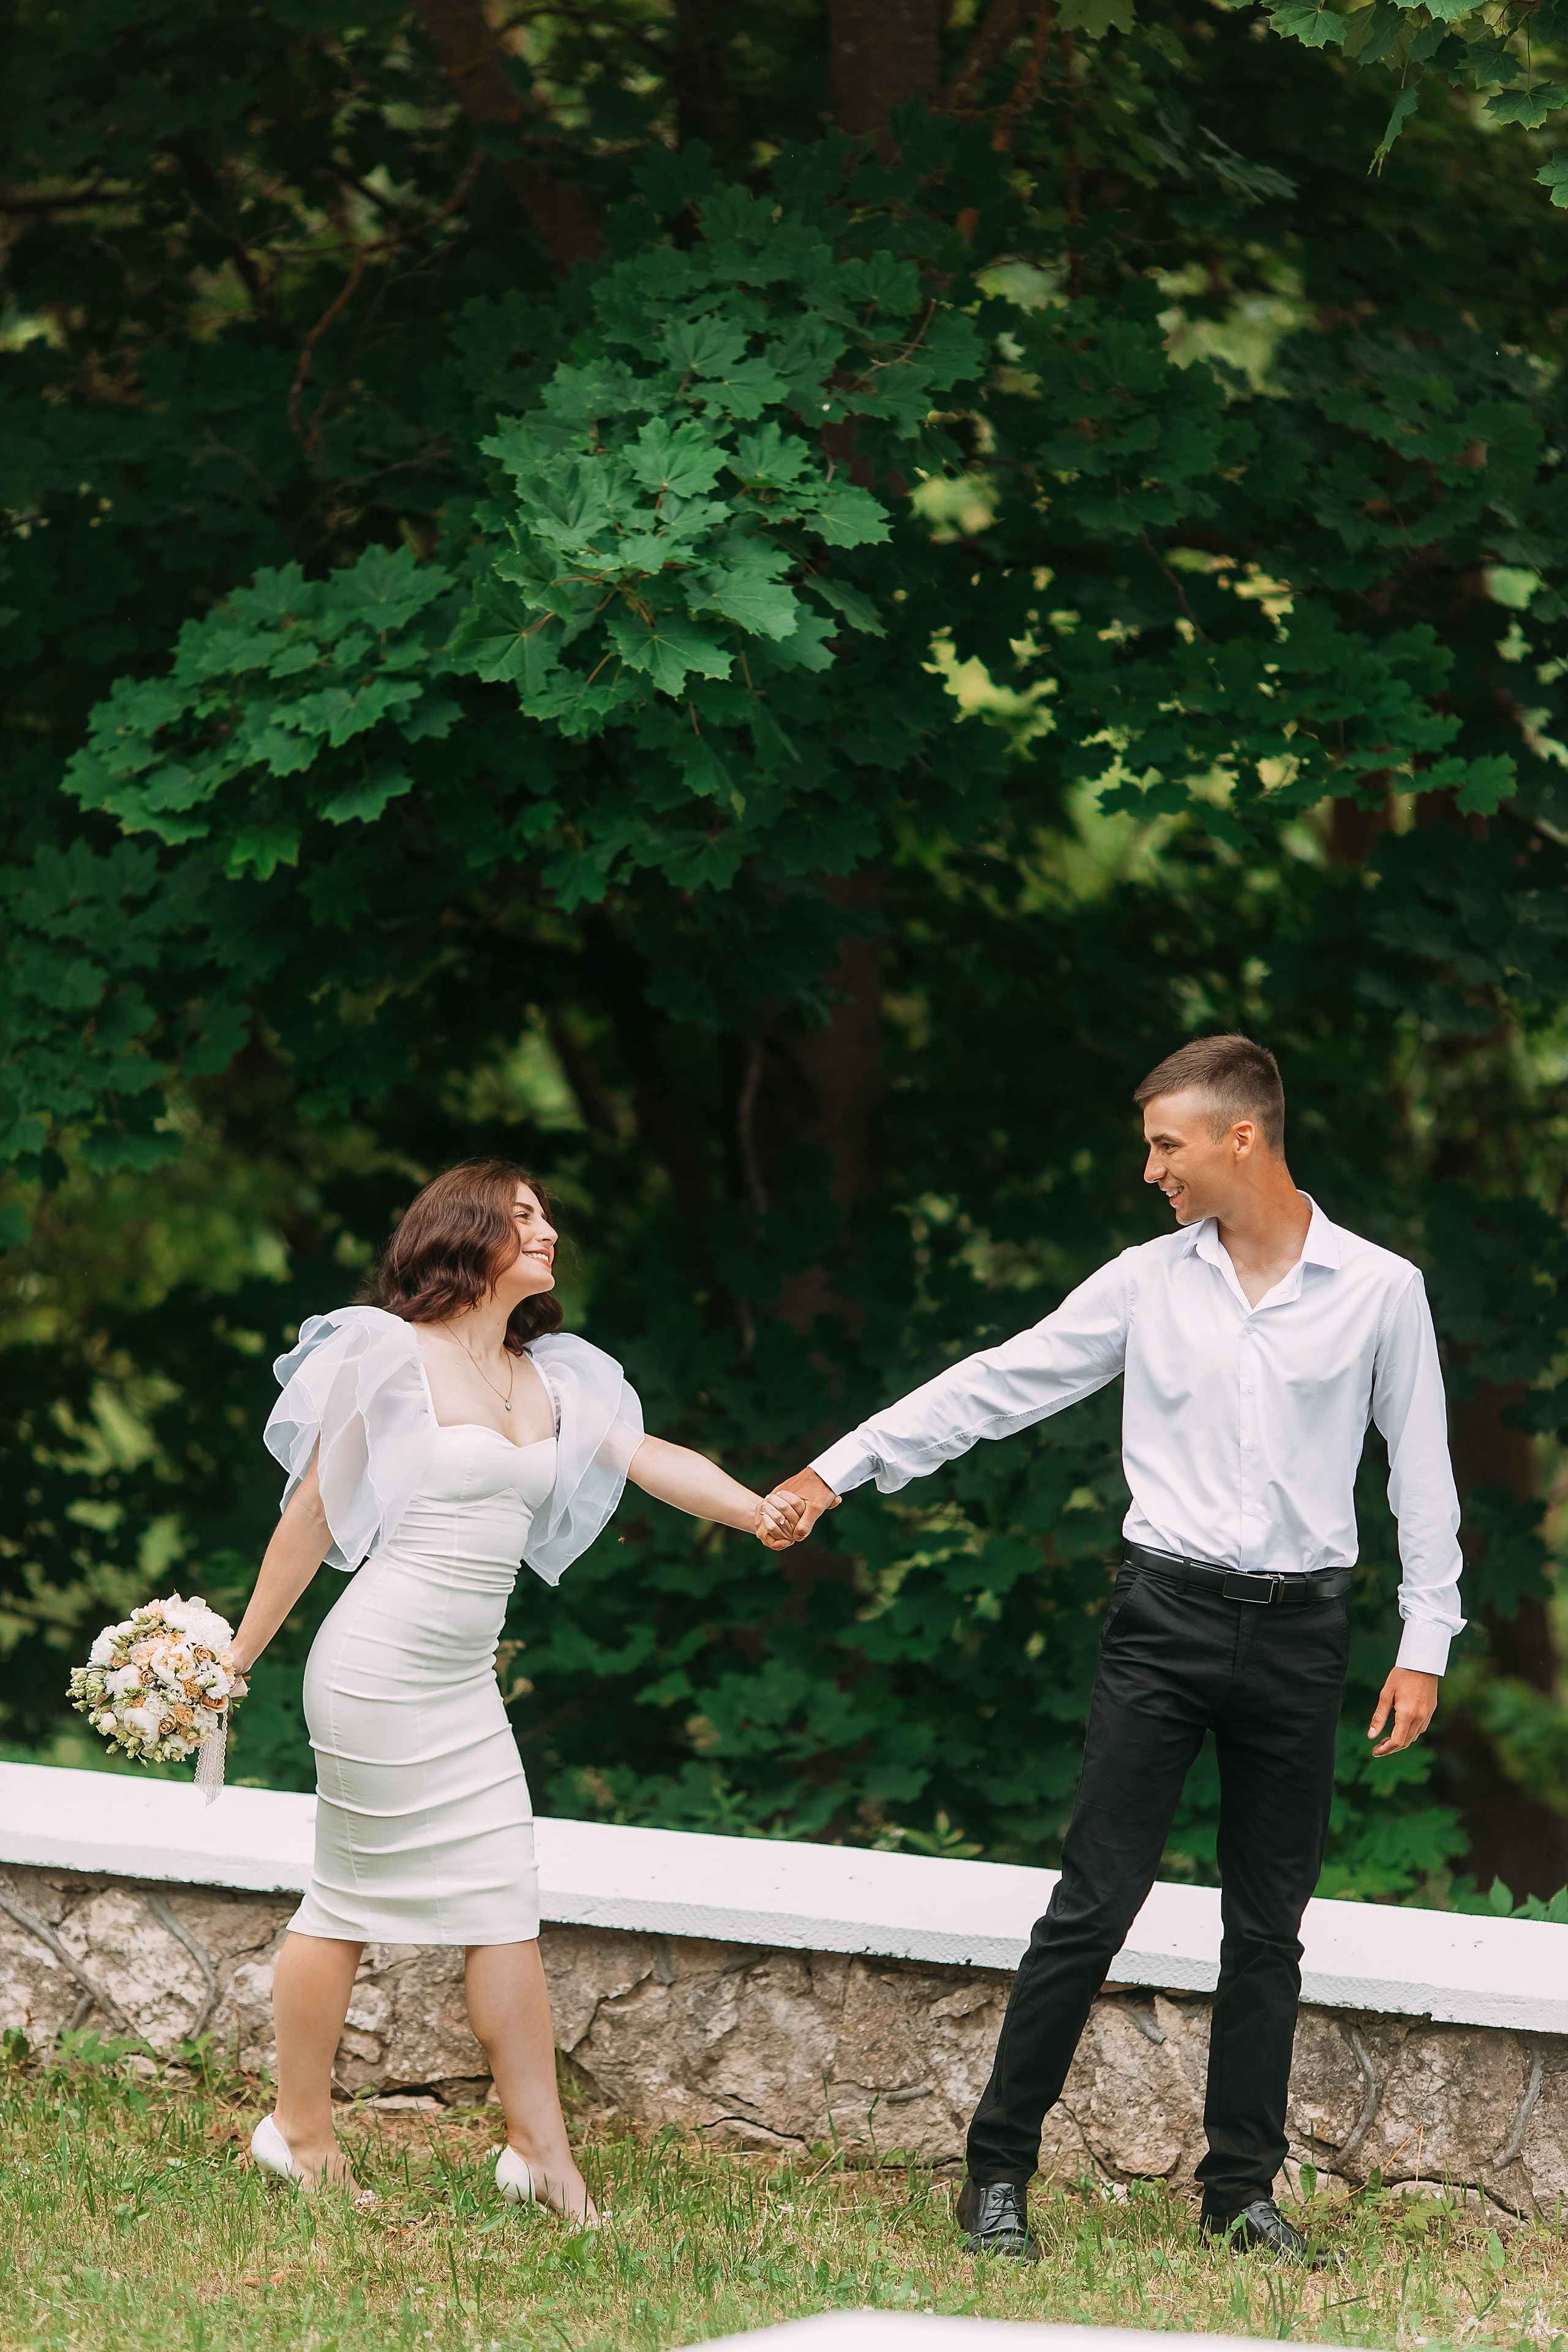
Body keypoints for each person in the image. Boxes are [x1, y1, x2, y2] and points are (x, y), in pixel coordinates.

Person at [767, 1035, 1463, 2264]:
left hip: (1300, 1636)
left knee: (1267, 1927)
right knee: (1092, 1902)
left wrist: (1424, 1641)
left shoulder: (1377, 1289)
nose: (1149, 1170)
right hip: (1163, 1620)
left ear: (1238, 1138)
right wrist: (839, 1467)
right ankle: (995, 2176)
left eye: (1163, 1145)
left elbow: (1420, 1472)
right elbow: (999, 1382)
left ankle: (1238, 2195)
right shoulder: (1145, 1282)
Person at [230, 1158, 799, 2217]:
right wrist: (237, 1657)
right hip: (373, 1672)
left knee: (506, 1905)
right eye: (523, 1218)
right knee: (345, 1902)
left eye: (547, 1219)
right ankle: (298, 2131)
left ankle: (541, 2154)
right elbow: (311, 1514)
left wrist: (757, 1509)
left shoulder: (558, 1375)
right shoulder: (386, 1356)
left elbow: (650, 1454)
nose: (547, 1234)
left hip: (461, 1684)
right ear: (463, 1236)